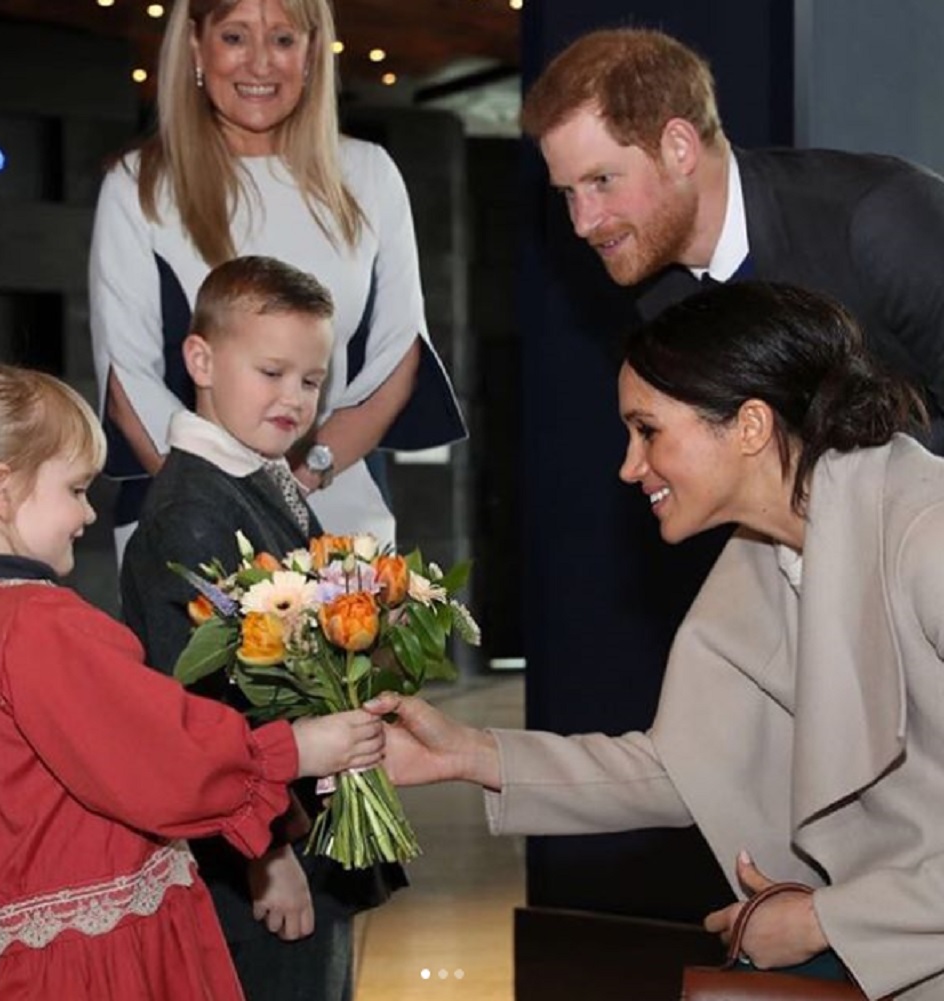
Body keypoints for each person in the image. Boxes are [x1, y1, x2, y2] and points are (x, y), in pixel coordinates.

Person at [370, 282, 944, 1001]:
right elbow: (690, 766)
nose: (629, 466)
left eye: (648, 430)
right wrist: (470, 753)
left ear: (749, 426)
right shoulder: (766, 551)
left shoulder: (928, 536)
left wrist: (827, 920)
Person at [0, 361, 386, 1001]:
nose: (89, 514)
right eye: (74, 489)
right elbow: (161, 755)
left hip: (5, 957)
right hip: (99, 961)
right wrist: (296, 748)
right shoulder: (40, 623)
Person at [121, 255, 405, 1001]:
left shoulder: (248, 474)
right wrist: (268, 851)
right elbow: (206, 702)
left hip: (293, 823)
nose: (294, 399)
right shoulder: (194, 509)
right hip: (254, 853)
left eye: (311, 382)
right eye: (272, 372)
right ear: (201, 359)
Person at [89, 0, 465, 561]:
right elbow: (128, 382)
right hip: (187, 524)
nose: (261, 64)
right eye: (236, 37)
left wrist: (308, 478)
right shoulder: (138, 185)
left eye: (284, 40)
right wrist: (215, 506)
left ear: (312, 53)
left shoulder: (369, 176)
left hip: (342, 511)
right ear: (196, 47)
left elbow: (398, 354)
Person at [520, 26, 944, 452]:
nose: (582, 223)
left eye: (602, 180)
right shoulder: (663, 299)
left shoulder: (878, 217)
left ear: (679, 148)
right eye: (568, 193)